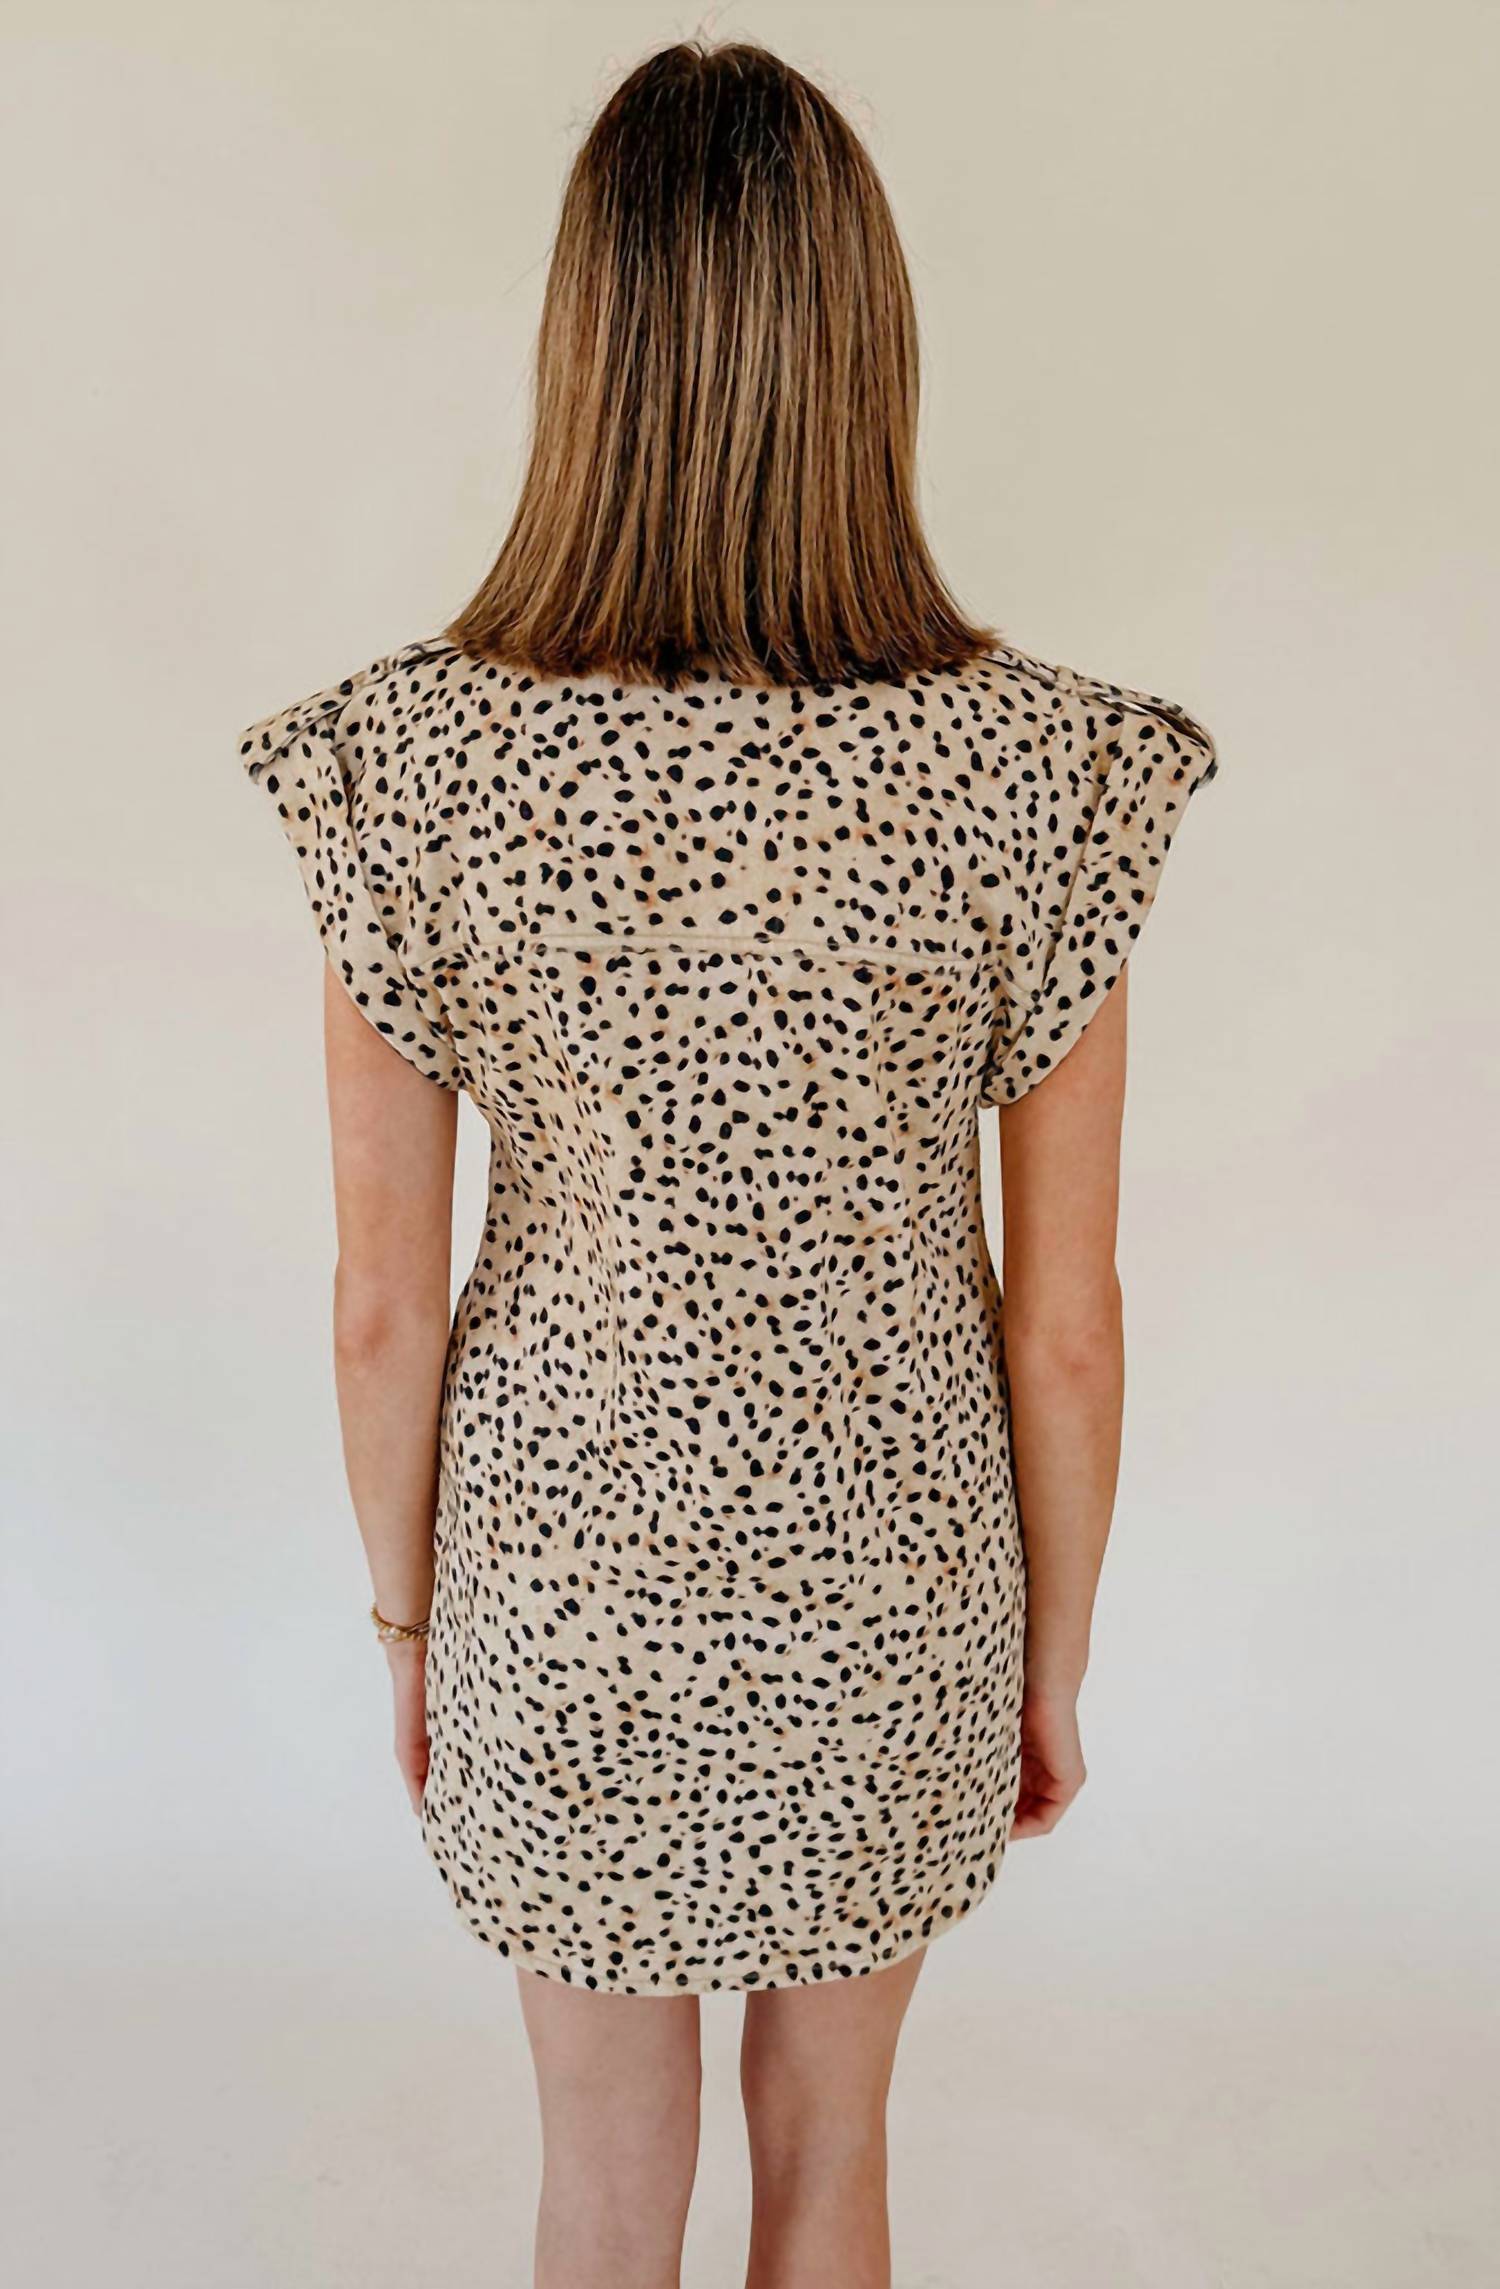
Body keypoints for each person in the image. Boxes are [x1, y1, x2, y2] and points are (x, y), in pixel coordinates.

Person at [237, 38, 1219, 2289]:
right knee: (835, 2160)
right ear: (865, 349)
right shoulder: (1038, 767)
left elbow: (381, 1302)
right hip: (897, 1592)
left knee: (599, 2192)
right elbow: (1067, 1319)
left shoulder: (412, 763)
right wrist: (1054, 1653)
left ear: (584, 349)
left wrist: (411, 1625)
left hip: (558, 1586)